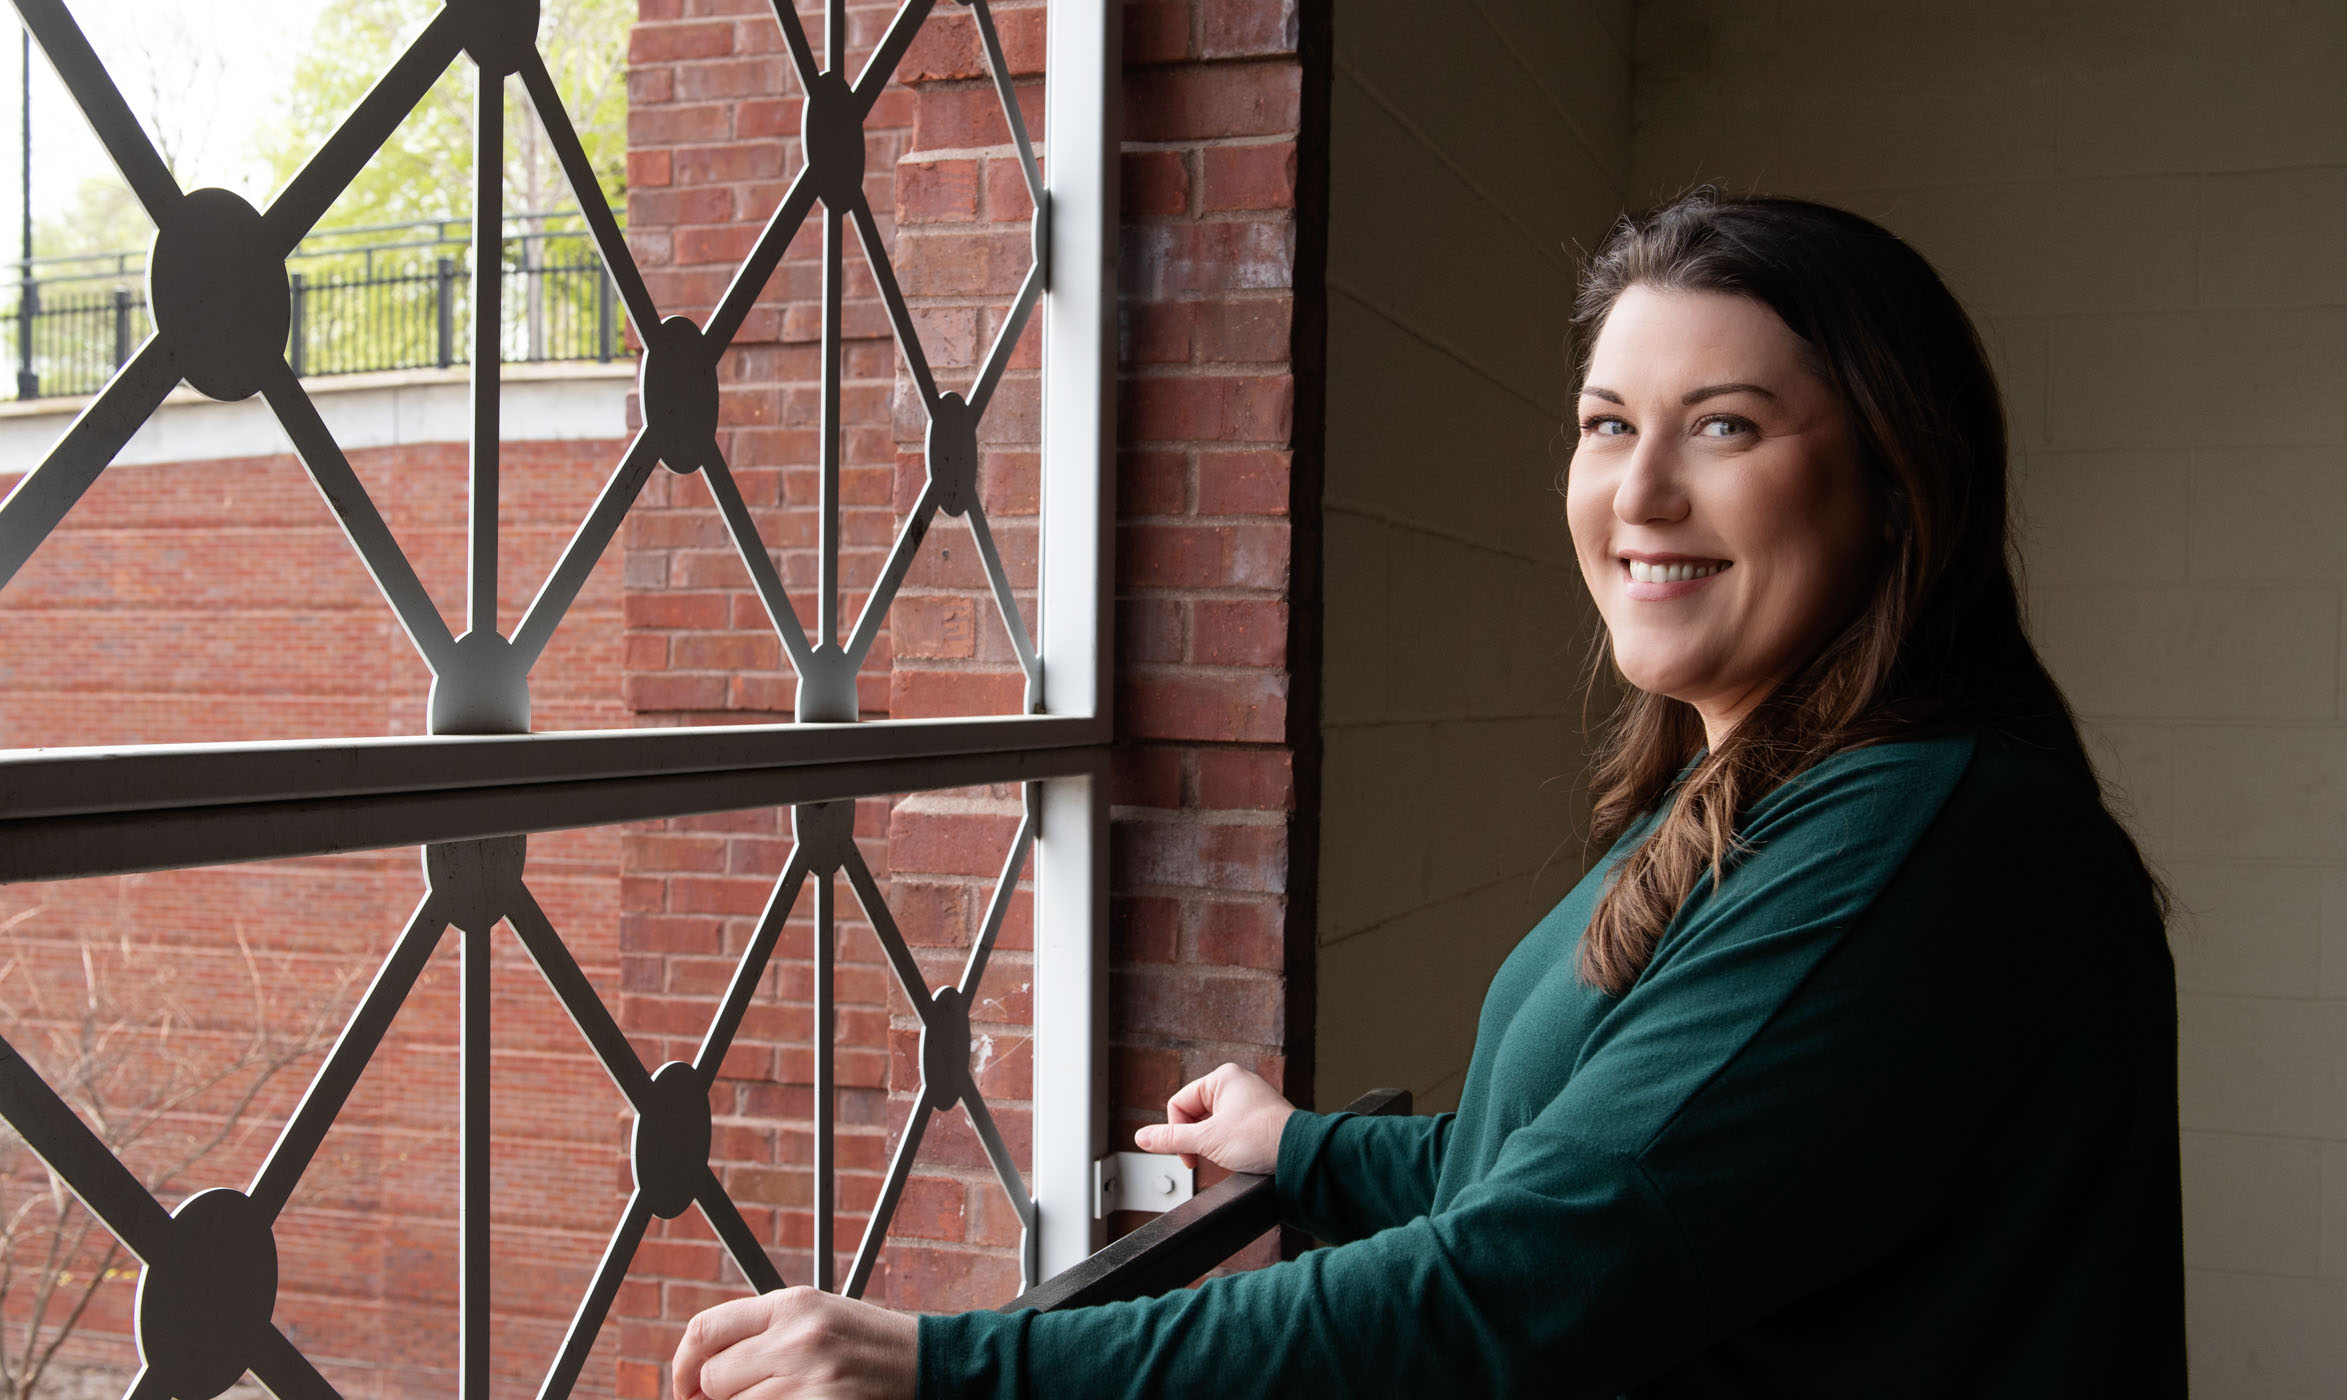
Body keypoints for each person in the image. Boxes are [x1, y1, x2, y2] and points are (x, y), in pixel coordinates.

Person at [669, 190, 2188, 1398]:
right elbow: (1577, 1163)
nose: (1639, 492)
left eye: (1724, 425)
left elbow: (1522, 1283)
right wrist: (1302, 1148)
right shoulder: (1763, 789)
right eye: (1608, 423)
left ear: (1898, 483)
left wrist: (957, 1368)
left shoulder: (1924, 843)